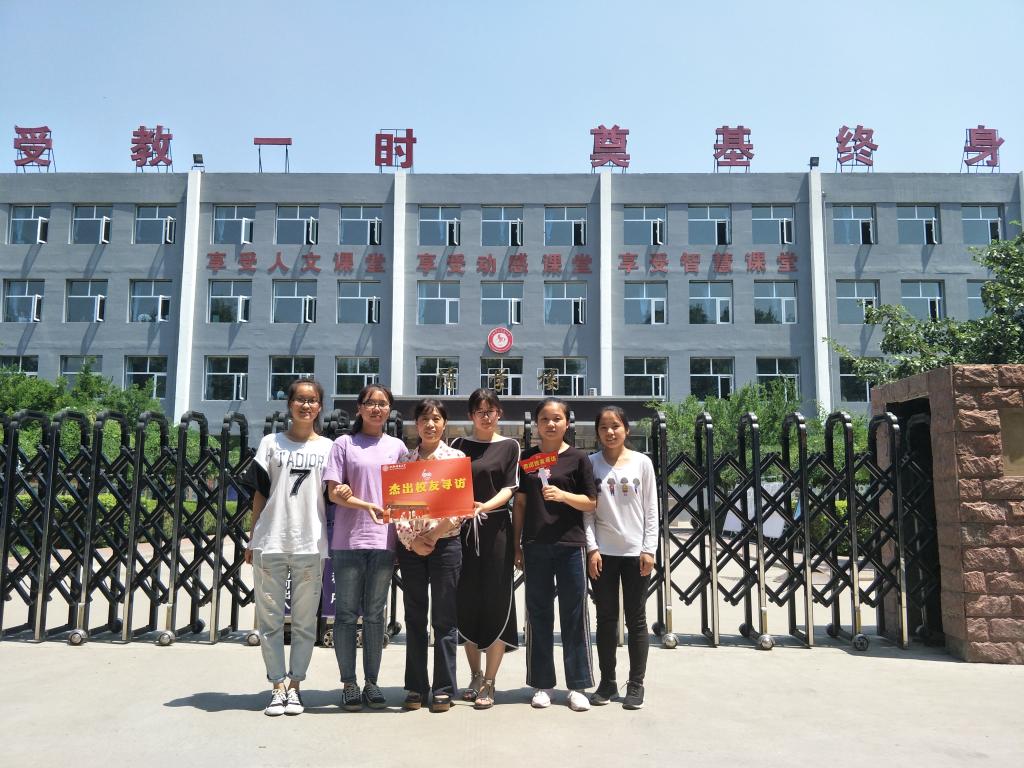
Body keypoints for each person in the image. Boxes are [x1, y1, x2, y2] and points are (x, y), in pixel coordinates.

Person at [243, 378, 334, 716]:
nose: (306, 405)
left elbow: (334, 495)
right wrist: (253, 537)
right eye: (300, 399)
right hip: (271, 541)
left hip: (310, 543)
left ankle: (295, 686)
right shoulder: (271, 443)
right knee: (269, 621)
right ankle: (276, 686)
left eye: (312, 400)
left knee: (305, 622)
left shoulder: (329, 448)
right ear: (289, 404)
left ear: (320, 406)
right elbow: (260, 493)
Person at [324, 384, 406, 711]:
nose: (376, 408)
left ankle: (372, 682)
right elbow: (333, 492)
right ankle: (349, 683)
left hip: (384, 541)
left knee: (374, 614)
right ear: (359, 408)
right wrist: (360, 502)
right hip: (348, 541)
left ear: (389, 410)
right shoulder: (344, 444)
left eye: (382, 403)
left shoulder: (397, 447)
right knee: (345, 614)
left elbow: (407, 495)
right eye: (370, 403)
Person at [513, 397, 597, 712]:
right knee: (538, 614)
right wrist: (516, 544)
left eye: (557, 418)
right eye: (545, 419)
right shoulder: (528, 458)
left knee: (574, 614)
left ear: (567, 423)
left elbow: (591, 502)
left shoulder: (578, 458)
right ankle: (541, 683)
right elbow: (520, 504)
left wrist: (563, 495)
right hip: (536, 544)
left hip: (570, 545)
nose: (551, 424)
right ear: (537, 424)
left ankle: (578, 685)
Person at [395, 399, 467, 713]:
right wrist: (413, 542)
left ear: (444, 423)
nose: (430, 424)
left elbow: (460, 508)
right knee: (414, 617)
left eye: (436, 418)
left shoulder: (455, 458)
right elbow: (397, 509)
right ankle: (415, 685)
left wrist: (433, 536)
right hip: (411, 549)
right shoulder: (405, 460)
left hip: (446, 545)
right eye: (424, 419)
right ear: (416, 424)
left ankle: (444, 688)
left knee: (444, 619)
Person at [452, 388, 520, 710]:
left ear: (499, 413)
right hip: (462, 532)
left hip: (496, 532)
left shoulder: (510, 446)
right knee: (465, 601)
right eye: (479, 411)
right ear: (470, 415)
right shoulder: (457, 446)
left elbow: (510, 488)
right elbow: (447, 486)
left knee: (496, 601)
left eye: (491, 410)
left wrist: (483, 506)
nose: (486, 416)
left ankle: (490, 680)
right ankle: (474, 674)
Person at [586, 406, 658, 710]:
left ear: (626, 429)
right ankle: (607, 682)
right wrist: (592, 549)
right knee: (606, 619)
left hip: (635, 554)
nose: (610, 432)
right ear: (597, 432)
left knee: (636, 618)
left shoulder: (642, 463)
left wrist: (649, 549)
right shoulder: (591, 464)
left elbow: (652, 509)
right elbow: (587, 511)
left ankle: (636, 683)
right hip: (603, 554)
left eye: (615, 426)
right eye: (604, 427)